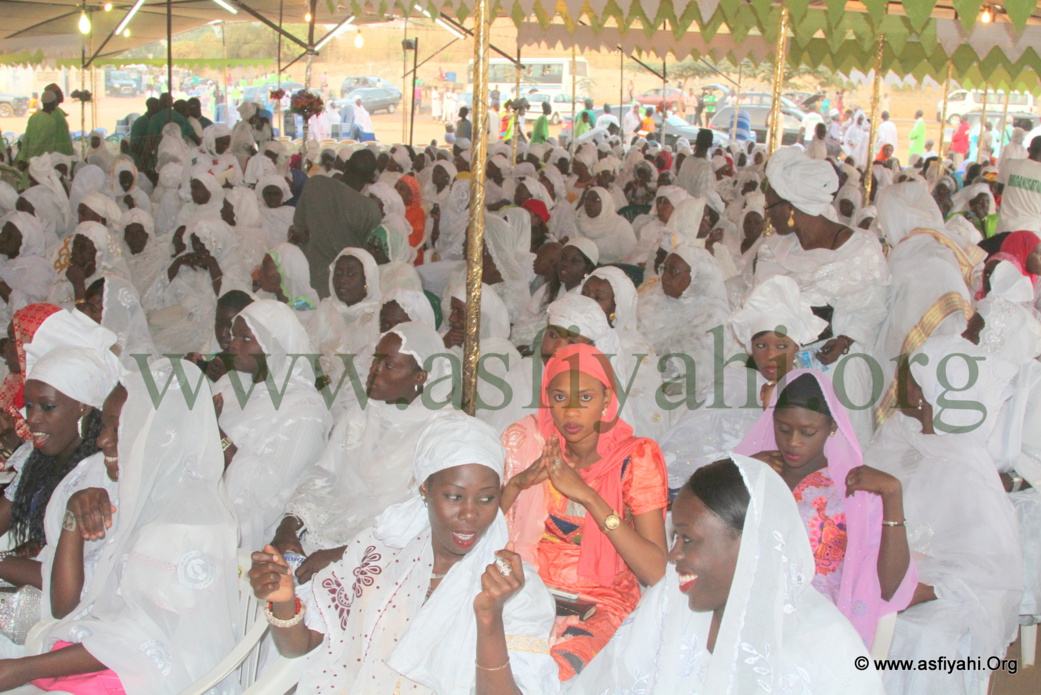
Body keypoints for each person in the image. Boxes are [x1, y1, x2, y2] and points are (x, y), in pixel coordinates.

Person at [252, 412, 559, 694]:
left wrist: (489, 617)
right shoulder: (379, 554)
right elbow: (299, 645)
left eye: (487, 498)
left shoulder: (516, 589)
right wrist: (282, 602)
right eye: (454, 496)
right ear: (425, 489)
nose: (470, 514)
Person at [1, 358, 239, 695]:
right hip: (114, 659)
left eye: (117, 428)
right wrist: (72, 518)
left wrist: (25, 669)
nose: (102, 441)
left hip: (163, 676)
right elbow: (70, 608)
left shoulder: (194, 522)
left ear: (160, 435)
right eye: (105, 428)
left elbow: (144, 638)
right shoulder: (140, 504)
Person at [564, 456, 884, 694]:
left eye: (687, 539)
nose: (674, 555)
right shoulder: (671, 597)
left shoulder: (824, 645)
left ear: (750, 547)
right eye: (675, 537)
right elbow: (611, 683)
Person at [501, 344, 669, 679]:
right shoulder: (533, 446)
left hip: (600, 600)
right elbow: (486, 535)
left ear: (607, 399)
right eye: (560, 398)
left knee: (553, 668)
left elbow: (657, 571)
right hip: (528, 587)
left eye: (586, 398)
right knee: (479, 650)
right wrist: (517, 484)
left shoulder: (636, 458)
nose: (571, 411)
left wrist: (591, 498)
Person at [736, 371, 917, 647]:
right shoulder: (756, 472)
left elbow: (889, 587)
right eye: (783, 429)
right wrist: (738, 475)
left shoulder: (853, 490)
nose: (793, 442)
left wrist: (893, 497)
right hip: (746, 618)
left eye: (808, 432)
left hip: (817, 633)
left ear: (832, 426)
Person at [274, 322, 452, 566]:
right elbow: (325, 476)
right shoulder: (361, 413)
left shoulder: (442, 433)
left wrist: (346, 556)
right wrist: (288, 526)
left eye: (388, 366)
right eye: (375, 360)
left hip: (389, 560)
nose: (374, 370)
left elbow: (421, 524)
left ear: (420, 377)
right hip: (328, 539)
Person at [756, 147, 890, 444]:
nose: (767, 215)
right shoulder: (774, 250)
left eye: (770, 207)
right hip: (785, 370)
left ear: (791, 208)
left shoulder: (858, 250)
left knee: (836, 453)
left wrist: (844, 339)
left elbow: (874, 308)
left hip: (839, 369)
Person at [659, 275, 827, 487]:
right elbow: (691, 444)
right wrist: (741, 465)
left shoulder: (810, 390)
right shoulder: (731, 383)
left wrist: (773, 412)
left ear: (796, 347)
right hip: (725, 485)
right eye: (761, 346)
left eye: (782, 346)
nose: (771, 356)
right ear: (749, 347)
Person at [219, 299, 332, 550]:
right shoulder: (230, 384)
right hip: (207, 502)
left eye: (246, 338)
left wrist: (215, 432)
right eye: (234, 336)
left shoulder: (305, 411)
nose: (233, 345)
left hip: (258, 534)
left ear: (277, 347)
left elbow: (259, 493)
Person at [293, 149, 382, 296]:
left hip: (304, 279)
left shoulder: (315, 184)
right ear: (371, 177)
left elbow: (298, 229)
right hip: (342, 289)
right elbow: (369, 255)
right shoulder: (370, 209)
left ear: (346, 165)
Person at [14, 86, 73, 166]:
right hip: (45, 159)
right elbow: (41, 142)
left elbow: (27, 138)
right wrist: (30, 159)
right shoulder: (51, 119)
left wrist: (24, 158)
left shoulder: (34, 116)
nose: (61, 95)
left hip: (38, 158)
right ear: (53, 101)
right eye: (58, 93)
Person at [997, 135, 1041, 235]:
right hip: (1032, 229)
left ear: (1028, 150)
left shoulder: (1009, 164)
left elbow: (999, 189)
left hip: (1006, 227)